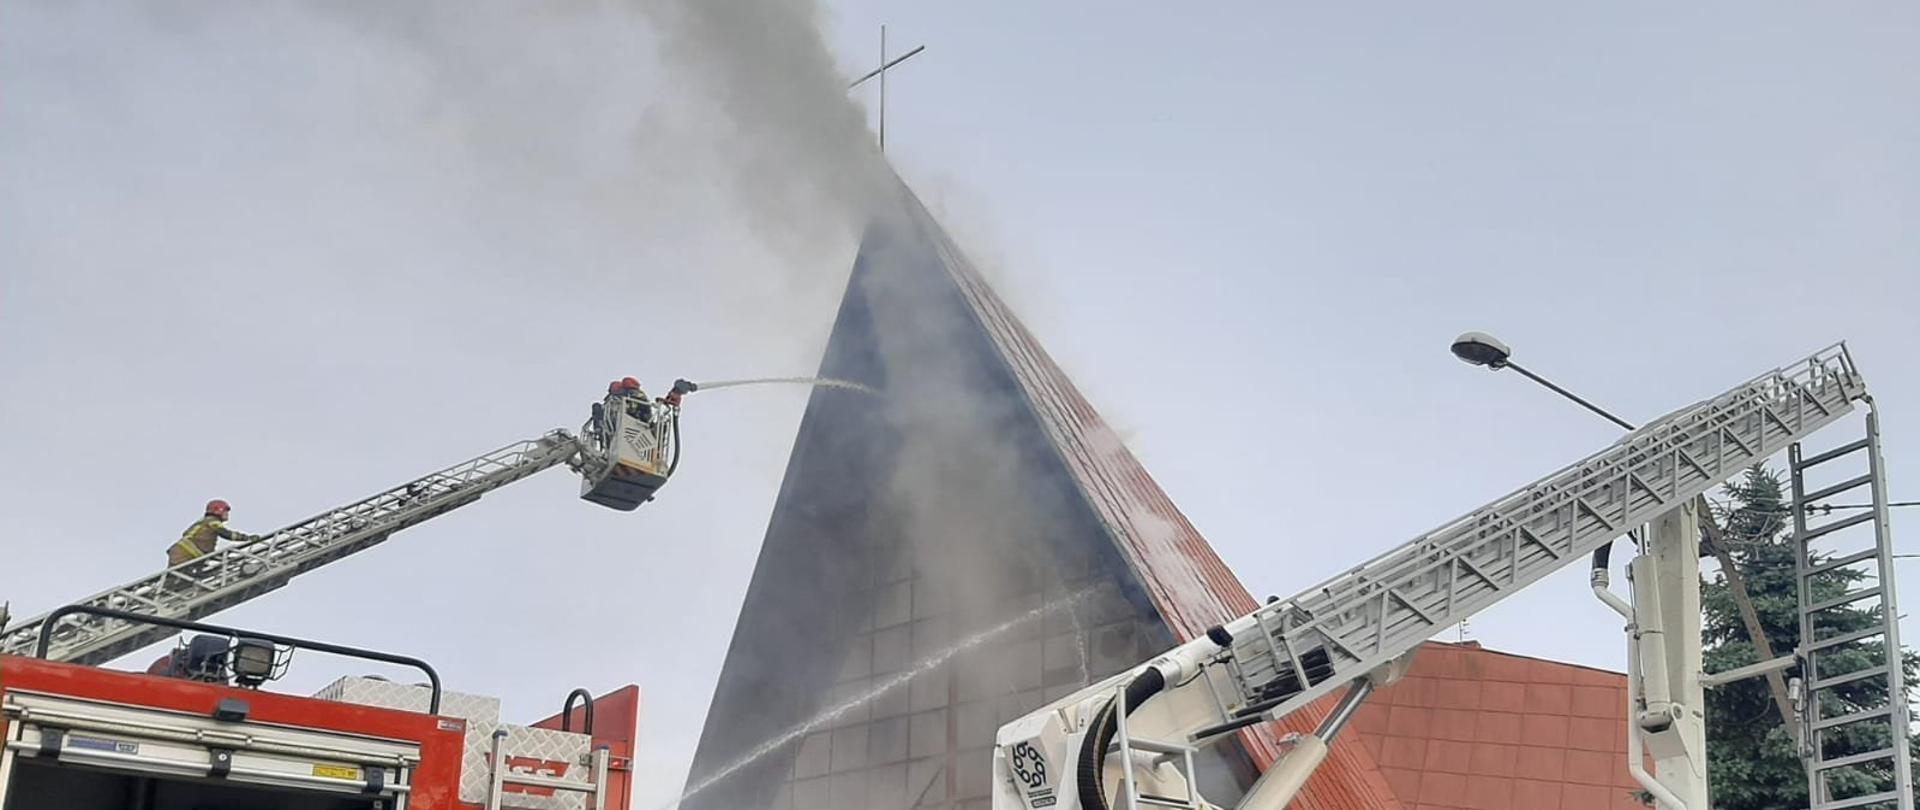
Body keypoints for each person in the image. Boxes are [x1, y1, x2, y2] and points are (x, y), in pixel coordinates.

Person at [168, 499, 262, 567]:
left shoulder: (205, 523)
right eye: (225, 511)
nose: (227, 514)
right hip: (184, 554)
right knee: (178, 581)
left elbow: (203, 547)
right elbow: (227, 534)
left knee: (179, 582)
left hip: (183, 553)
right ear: (219, 510)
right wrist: (247, 538)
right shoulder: (212, 521)